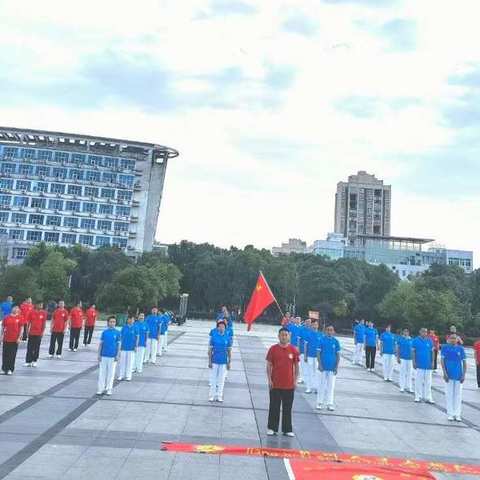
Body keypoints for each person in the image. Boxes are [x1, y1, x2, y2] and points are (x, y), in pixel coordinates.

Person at [266, 327, 299, 436]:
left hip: (289, 384)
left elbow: (296, 366)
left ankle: (287, 429)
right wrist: (269, 379)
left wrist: (296, 380)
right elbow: (269, 365)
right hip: (275, 383)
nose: (284, 337)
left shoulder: (293, 350)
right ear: (278, 336)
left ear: (289, 336)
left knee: (287, 407)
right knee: (274, 406)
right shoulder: (273, 349)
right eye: (282, 335)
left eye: (286, 335)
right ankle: (272, 428)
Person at [441, 333, 467, 421]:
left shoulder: (461, 349)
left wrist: (463, 375)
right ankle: (450, 414)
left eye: (454, 338)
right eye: (451, 338)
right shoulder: (445, 347)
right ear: (449, 339)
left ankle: (457, 414)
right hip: (449, 375)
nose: (453, 340)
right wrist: (445, 373)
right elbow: (442, 361)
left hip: (458, 375)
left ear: (457, 340)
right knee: (449, 395)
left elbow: (464, 363)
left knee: (458, 395)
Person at [316, 325, 341, 411]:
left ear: (333, 331)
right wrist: (319, 364)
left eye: (331, 330)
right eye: (328, 330)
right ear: (326, 331)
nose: (330, 332)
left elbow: (338, 355)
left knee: (331, 386)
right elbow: (318, 353)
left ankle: (330, 403)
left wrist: (336, 367)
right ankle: (319, 402)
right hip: (323, 367)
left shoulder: (336, 342)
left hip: (332, 368)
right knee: (321, 385)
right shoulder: (321, 340)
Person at [208, 320, 232, 402]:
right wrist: (210, 361)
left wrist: (229, 362)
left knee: (221, 380)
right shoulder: (214, 337)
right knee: (213, 378)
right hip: (215, 360)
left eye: (223, 326)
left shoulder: (227, 338)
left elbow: (229, 352)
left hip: (223, 361)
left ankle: (219, 396)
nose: (221, 327)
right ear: (218, 327)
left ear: (225, 328)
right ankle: (212, 395)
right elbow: (210, 351)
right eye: (220, 326)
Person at [97, 316, 121, 396]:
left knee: (111, 373)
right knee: (102, 373)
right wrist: (99, 355)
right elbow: (101, 344)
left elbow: (119, 345)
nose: (112, 323)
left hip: (112, 356)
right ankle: (100, 389)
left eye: (114, 322)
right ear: (108, 323)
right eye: (110, 321)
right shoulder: (104, 332)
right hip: (104, 355)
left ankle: (109, 389)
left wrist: (117, 355)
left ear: (115, 323)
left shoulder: (117, 333)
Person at [412, 327, 434, 403]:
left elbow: (432, 352)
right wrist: (414, 362)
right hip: (419, 364)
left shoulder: (429, 340)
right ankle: (418, 396)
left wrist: (432, 362)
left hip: (428, 365)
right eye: (423, 331)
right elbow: (413, 352)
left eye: (426, 332)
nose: (424, 333)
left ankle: (428, 397)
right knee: (418, 381)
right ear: (420, 332)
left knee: (428, 382)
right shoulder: (415, 340)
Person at [25, 302, 47, 367]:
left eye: (42, 305)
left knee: (36, 347)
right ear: (36, 305)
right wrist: (27, 331)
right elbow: (28, 322)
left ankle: (34, 360)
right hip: (31, 332)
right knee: (30, 347)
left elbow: (44, 323)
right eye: (40, 304)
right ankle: (28, 361)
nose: (41, 306)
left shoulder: (43, 313)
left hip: (38, 333)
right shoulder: (31, 312)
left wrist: (42, 332)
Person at [1, 306, 22, 374]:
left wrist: (19, 338)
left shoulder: (20, 318)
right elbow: (3, 327)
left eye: (17, 308)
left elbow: (21, 329)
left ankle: (10, 369)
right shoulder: (6, 317)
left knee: (12, 354)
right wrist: (1, 336)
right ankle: (4, 369)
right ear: (12, 309)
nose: (15, 309)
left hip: (14, 339)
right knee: (5, 354)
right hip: (6, 338)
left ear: (18, 310)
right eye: (14, 308)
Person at [303, 319, 321, 394]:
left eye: (316, 324)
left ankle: (316, 388)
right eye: (314, 324)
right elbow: (305, 345)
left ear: (318, 325)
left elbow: (322, 347)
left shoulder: (321, 334)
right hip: (310, 356)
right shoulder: (308, 334)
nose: (315, 326)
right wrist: (305, 356)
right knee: (309, 372)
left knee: (317, 373)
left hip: (317, 357)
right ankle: (309, 388)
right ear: (311, 325)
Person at [118, 315, 138, 382]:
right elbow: (120, 337)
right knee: (122, 362)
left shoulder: (135, 327)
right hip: (124, 347)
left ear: (134, 320)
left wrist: (135, 346)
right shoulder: (124, 327)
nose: (130, 320)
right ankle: (121, 375)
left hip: (131, 348)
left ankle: (128, 376)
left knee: (130, 363)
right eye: (129, 319)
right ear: (127, 320)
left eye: (132, 319)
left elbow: (137, 338)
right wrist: (120, 346)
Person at [397, 328, 413, 393]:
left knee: (409, 373)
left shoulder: (411, 340)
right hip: (403, 358)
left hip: (410, 359)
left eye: (407, 332)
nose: (406, 333)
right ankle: (402, 387)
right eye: (405, 332)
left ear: (408, 333)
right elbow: (398, 348)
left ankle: (409, 387)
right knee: (402, 373)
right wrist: (398, 357)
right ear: (403, 332)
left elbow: (413, 350)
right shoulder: (400, 339)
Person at [297, 318, 311, 384]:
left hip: (310, 352)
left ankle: (307, 379)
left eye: (309, 322)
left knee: (308, 367)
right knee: (302, 366)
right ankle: (301, 378)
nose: (308, 323)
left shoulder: (312, 330)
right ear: (305, 322)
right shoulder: (301, 330)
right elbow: (298, 340)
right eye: (307, 322)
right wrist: (298, 349)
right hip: (302, 351)